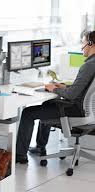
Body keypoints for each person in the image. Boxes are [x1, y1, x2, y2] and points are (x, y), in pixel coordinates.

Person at [16, 31, 95, 164]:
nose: (82, 46)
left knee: (27, 112)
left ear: (91, 44)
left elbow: (72, 95)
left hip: (75, 110)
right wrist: (63, 87)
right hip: (87, 110)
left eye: (83, 42)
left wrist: (54, 88)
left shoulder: (88, 65)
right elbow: (82, 89)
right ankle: (40, 147)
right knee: (47, 104)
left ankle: (20, 155)